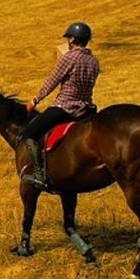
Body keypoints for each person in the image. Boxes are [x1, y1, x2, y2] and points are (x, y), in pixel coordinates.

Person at [18, 22, 100, 189]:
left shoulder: (68, 58)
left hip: (65, 107)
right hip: (86, 109)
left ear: (72, 39)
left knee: (29, 133)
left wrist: (35, 100)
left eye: (69, 37)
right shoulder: (93, 61)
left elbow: (52, 81)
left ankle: (39, 174)